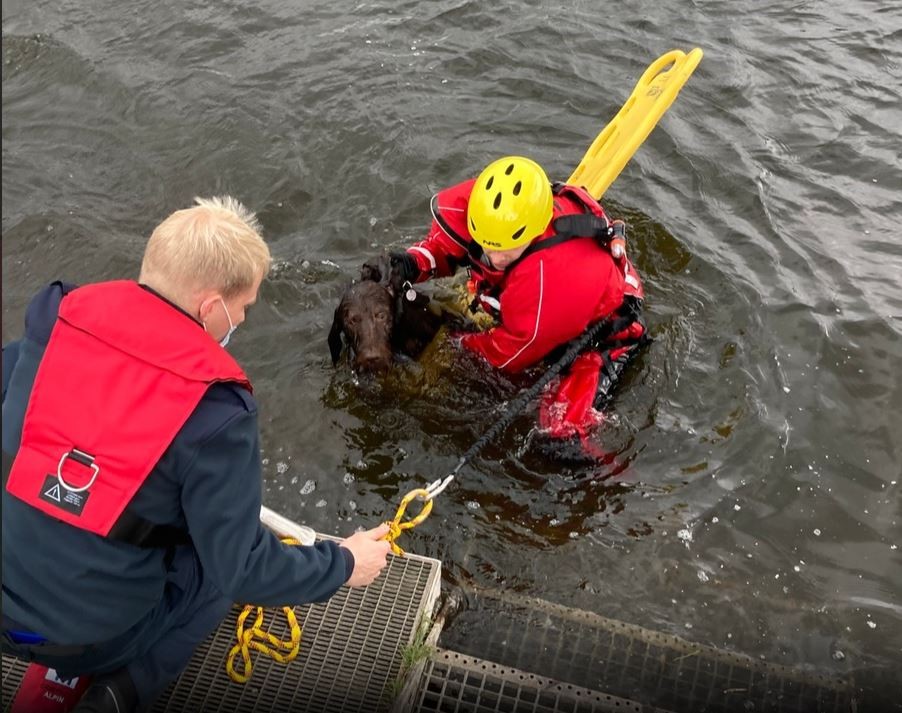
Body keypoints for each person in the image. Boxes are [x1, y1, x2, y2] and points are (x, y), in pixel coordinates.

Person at [1, 196, 392, 713]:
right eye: (245, 307)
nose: (244, 320)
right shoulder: (217, 410)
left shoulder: (53, 324)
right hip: (90, 638)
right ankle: (120, 692)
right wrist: (344, 563)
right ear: (212, 307)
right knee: (213, 575)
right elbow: (244, 568)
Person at [385, 156, 648, 455]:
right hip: (531, 299)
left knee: (559, 437)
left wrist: (460, 346)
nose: (491, 255)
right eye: (486, 244)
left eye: (502, 249)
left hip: (603, 331)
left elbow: (510, 354)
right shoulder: (490, 211)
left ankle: (612, 477)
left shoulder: (549, 276)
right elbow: (445, 245)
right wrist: (412, 262)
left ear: (534, 233)